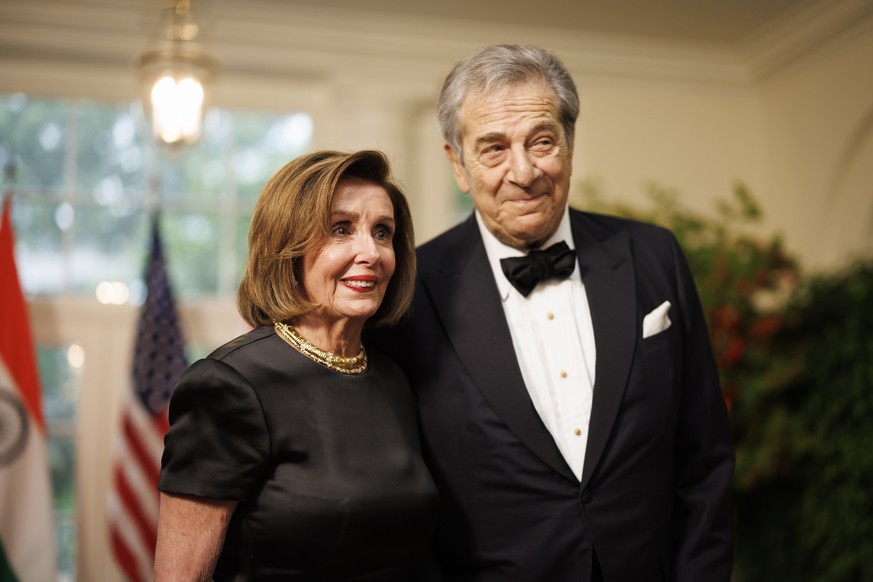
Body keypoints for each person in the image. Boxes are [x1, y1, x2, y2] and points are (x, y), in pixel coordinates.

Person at [377, 45, 734, 581]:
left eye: (542, 141)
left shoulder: (653, 255)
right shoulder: (407, 288)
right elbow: (402, 496)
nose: (524, 171)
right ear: (458, 164)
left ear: (570, 143)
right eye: (493, 149)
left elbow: (705, 455)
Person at [153, 150, 438, 581]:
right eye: (341, 230)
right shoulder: (228, 386)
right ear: (287, 247)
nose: (371, 252)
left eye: (383, 232)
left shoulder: (392, 378)